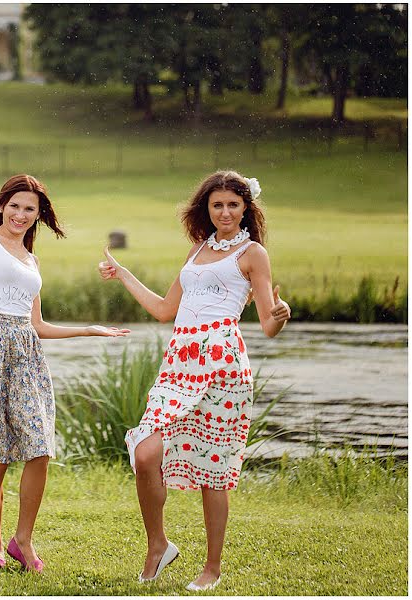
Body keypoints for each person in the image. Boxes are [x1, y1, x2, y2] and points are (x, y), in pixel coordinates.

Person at [0, 174, 130, 573]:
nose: (20, 215)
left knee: (39, 448)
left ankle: (23, 539)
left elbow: (38, 324)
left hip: (26, 353)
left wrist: (89, 329)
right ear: (2, 205)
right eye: (15, 206)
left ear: (39, 215)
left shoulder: (32, 258)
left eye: (29, 209)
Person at [98, 170, 291, 591]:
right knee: (146, 452)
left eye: (233, 205)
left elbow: (266, 324)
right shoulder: (197, 249)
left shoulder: (253, 253)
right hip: (179, 363)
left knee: (213, 472)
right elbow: (165, 310)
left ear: (246, 209)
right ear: (207, 208)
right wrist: (124, 273)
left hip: (222, 365)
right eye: (217, 205)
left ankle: (212, 568)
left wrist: (279, 315)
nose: (225, 212)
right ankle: (158, 545)